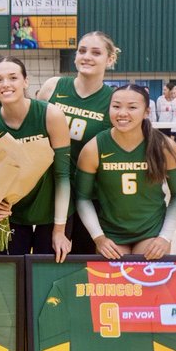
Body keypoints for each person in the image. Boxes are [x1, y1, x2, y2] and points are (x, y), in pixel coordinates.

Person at [0, 57, 72, 261]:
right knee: (15, 277)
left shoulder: (51, 115)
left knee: (47, 274)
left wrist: (59, 229)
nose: (6, 84)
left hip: (52, 213)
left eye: (13, 77)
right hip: (13, 216)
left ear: (25, 81)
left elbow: (63, 175)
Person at [75, 85, 176, 260]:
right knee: (117, 285)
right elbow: (82, 197)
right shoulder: (93, 148)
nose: (122, 113)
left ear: (146, 112)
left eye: (132, 107)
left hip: (151, 231)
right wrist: (99, 238)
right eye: (116, 106)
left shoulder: (165, 147)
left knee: (145, 282)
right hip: (111, 233)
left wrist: (165, 237)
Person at [35, 31, 118, 253]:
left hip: (89, 195)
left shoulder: (114, 101)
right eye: (82, 51)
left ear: (110, 60)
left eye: (96, 52)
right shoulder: (53, 86)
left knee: (82, 261)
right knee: (48, 256)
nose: (87, 56)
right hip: (51, 191)